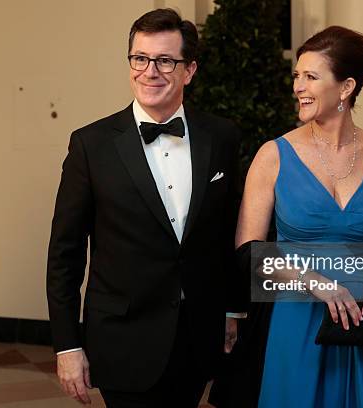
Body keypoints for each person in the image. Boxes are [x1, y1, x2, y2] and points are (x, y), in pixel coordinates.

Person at [46, 8, 246, 408]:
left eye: (165, 61)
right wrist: (67, 345)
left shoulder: (222, 136)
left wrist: (233, 310)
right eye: (140, 58)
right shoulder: (91, 145)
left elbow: (230, 234)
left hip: (196, 337)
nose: (149, 71)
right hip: (123, 339)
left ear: (189, 70)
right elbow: (64, 255)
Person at [210, 26, 363, 407]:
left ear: (346, 87)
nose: (297, 87)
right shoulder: (273, 155)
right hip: (296, 320)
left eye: (310, 77)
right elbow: (248, 251)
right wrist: (315, 281)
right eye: (296, 76)